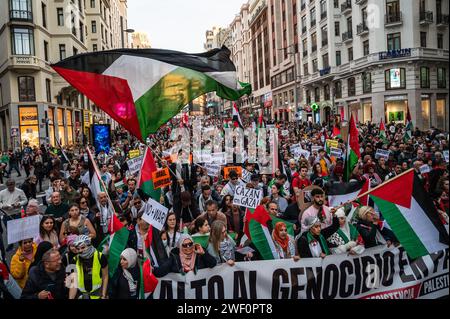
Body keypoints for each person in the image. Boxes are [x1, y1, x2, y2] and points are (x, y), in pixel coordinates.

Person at [70, 235, 108, 299]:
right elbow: (73, 283)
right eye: (78, 248)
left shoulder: (100, 257)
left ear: (89, 245)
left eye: (83, 247)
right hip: (81, 296)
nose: (80, 251)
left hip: (97, 295)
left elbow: (105, 276)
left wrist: (103, 295)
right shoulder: (74, 260)